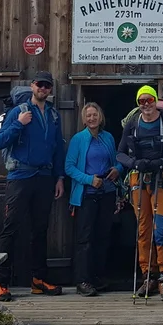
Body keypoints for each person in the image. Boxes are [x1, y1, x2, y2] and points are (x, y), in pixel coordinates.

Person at [0, 71, 66, 301]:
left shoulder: (54, 116)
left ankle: (38, 280)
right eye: (40, 85)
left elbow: (57, 148)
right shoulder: (18, 112)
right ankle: (1, 282)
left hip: (44, 177)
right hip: (20, 176)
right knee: (11, 228)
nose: (43, 89)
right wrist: (19, 125)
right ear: (32, 86)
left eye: (47, 86)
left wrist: (59, 177)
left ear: (50, 90)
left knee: (40, 229)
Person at [116, 85, 163, 301]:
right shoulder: (132, 123)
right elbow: (120, 154)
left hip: (162, 178)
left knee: (162, 228)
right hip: (139, 179)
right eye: (142, 101)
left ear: (155, 101)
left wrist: (162, 162)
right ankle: (148, 274)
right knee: (143, 228)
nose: (146, 104)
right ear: (138, 104)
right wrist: (134, 163)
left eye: (149, 100)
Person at [65, 102, 120, 296]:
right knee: (84, 239)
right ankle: (82, 280)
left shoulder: (108, 138)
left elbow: (116, 162)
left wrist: (117, 170)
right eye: (88, 116)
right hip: (86, 195)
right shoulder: (78, 139)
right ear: (83, 119)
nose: (92, 119)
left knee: (102, 237)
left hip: (106, 193)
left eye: (94, 115)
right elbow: (69, 167)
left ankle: (97, 277)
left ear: (100, 117)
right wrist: (89, 180)